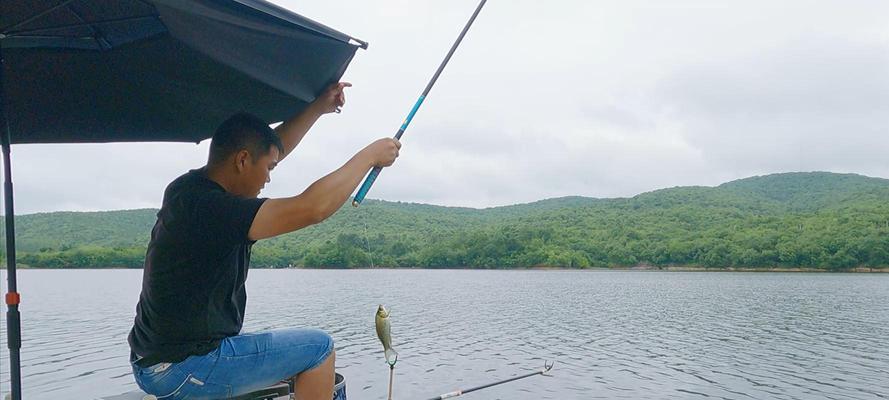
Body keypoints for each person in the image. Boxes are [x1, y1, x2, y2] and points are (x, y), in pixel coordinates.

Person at [127, 82, 400, 400]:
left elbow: (270, 149)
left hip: (153, 363)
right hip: (187, 368)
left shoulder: (187, 191)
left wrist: (317, 107)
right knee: (318, 349)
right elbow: (311, 208)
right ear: (242, 161)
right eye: (268, 169)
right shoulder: (212, 209)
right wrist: (370, 156)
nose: (269, 177)